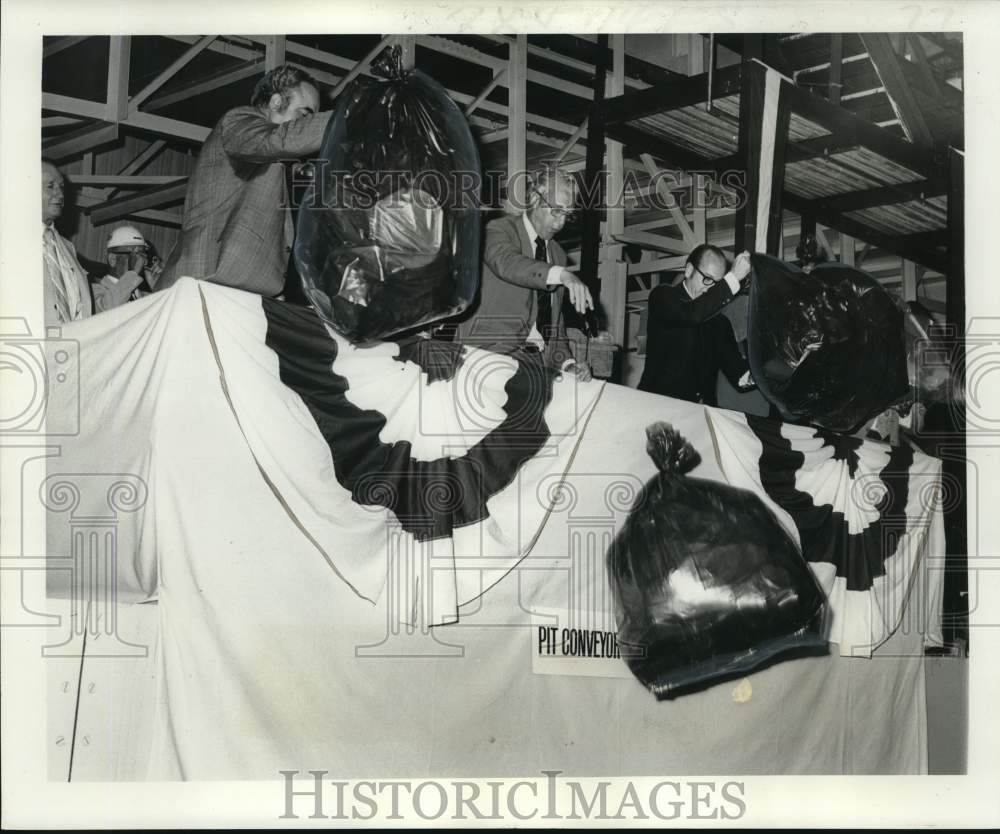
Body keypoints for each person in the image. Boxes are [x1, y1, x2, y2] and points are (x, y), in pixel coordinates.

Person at [155, 64, 331, 296]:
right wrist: (350, 117)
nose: (307, 123)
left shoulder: (281, 165)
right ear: (277, 102)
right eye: (304, 115)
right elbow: (280, 140)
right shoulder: (239, 121)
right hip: (203, 283)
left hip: (232, 291)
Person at [454, 169, 594, 380]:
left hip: (534, 366)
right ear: (536, 198)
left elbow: (552, 326)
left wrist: (568, 363)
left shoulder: (557, 254)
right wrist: (562, 274)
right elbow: (507, 263)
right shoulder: (497, 230)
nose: (561, 223)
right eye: (556, 211)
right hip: (483, 358)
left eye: (567, 214)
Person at [638, 243, 754, 405]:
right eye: (707, 279)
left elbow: (739, 377)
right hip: (657, 409)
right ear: (689, 270)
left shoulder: (720, 323)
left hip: (697, 418)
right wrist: (733, 278)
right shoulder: (663, 297)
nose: (710, 289)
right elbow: (692, 314)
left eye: (717, 284)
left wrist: (763, 374)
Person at [42, 158, 99, 329]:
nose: (60, 195)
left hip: (72, 349)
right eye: (50, 186)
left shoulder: (68, 248)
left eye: (61, 187)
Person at [92, 224, 159, 312]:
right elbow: (106, 311)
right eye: (135, 255)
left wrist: (157, 286)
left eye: (142, 255)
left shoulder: (142, 296)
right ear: (113, 259)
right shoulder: (94, 291)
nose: (140, 261)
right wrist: (133, 273)